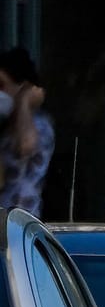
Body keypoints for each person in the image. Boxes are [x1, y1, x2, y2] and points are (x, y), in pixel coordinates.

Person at [0, 49, 52, 218]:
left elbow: (25, 145)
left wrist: (23, 101)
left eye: (2, 85)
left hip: (19, 225)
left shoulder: (39, 124)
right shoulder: (5, 126)